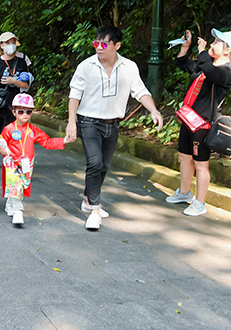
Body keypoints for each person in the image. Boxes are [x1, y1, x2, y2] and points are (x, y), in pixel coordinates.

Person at [65, 25, 163, 230]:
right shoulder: (86, 65)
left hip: (113, 124)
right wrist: (71, 122)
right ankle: (94, 209)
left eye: (103, 43)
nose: (98, 47)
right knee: (95, 162)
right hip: (89, 122)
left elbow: (140, 91)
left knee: (103, 166)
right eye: (95, 43)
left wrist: (153, 110)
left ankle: (87, 199)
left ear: (117, 45)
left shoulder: (129, 67)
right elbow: (75, 94)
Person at [166, 29, 231, 216]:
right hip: (188, 118)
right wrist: (185, 47)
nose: (211, 44)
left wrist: (201, 51)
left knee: (201, 164)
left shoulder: (228, 70)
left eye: (217, 42)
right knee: (184, 156)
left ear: (227, 50)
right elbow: (183, 64)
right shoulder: (207, 64)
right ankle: (184, 193)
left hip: (204, 124)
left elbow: (210, 71)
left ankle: (200, 203)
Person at [0, 94, 70, 225]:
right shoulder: (9, 129)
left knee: (22, 185)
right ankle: (18, 210)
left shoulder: (33, 130)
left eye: (28, 111)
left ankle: (10, 203)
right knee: (15, 184)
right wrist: (4, 150)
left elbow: (47, 142)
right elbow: (1, 142)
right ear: (14, 112)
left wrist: (64, 140)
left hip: (26, 164)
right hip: (12, 162)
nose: (24, 114)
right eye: (20, 111)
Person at [0, 32, 31, 171]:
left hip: (15, 103)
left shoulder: (21, 62)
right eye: (7, 42)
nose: (11, 45)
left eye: (13, 42)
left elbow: (26, 85)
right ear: (2, 46)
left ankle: (11, 158)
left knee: (14, 132)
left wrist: (14, 81)